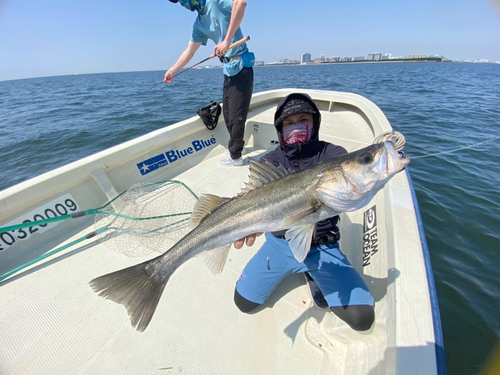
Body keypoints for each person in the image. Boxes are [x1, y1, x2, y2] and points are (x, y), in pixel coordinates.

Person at [232, 93, 375, 331]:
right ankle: (299, 267)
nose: (296, 127)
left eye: (303, 120)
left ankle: (313, 273)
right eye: (288, 123)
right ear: (279, 129)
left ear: (314, 124)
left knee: (362, 319)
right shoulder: (269, 161)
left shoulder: (333, 155)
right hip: (279, 243)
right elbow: (255, 204)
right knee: (243, 303)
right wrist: (250, 224)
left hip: (323, 245)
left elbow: (351, 189)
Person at [165, 0, 254, 167]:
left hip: (242, 65)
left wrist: (227, 40)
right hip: (228, 69)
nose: (183, 4)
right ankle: (239, 149)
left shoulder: (215, 2)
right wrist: (173, 69)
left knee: (236, 115)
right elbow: (189, 51)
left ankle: (236, 157)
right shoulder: (199, 23)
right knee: (227, 114)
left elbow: (241, 3)